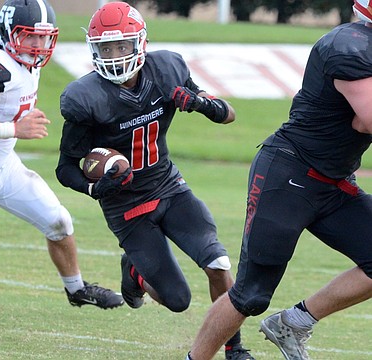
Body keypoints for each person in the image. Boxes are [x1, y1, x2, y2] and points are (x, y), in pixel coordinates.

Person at [56, 2, 255, 359]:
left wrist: (200, 104)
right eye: (106, 48)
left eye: (121, 46)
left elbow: (228, 114)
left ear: (140, 43)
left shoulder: (167, 69)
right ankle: (133, 270)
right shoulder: (85, 98)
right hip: (126, 207)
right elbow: (66, 167)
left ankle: (234, 348)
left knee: (218, 262)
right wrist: (92, 187)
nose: (115, 55)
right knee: (178, 301)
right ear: (94, 50)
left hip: (169, 188)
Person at [186, 1, 372, 359]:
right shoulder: (350, 45)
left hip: (333, 182)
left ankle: (294, 322)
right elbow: (368, 120)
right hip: (289, 176)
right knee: (250, 294)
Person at [0, 0, 124, 310]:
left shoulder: (28, 61)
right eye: (31, 36)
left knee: (58, 222)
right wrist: (15, 129)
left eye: (45, 37)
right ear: (9, 32)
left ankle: (76, 289)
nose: (40, 45)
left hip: (4, 169)